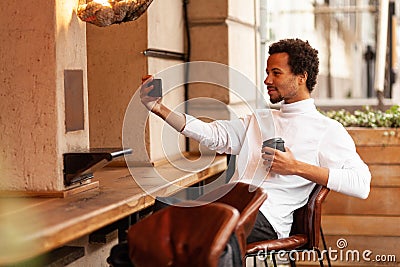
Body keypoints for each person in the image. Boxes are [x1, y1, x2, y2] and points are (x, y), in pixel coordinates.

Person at [139, 38, 371, 243]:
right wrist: (159, 109)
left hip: (264, 216)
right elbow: (211, 134)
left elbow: (361, 184)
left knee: (193, 236)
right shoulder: (259, 120)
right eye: (267, 72)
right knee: (163, 210)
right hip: (230, 204)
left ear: (302, 78)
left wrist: (296, 167)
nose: (267, 80)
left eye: (276, 73)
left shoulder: (327, 129)